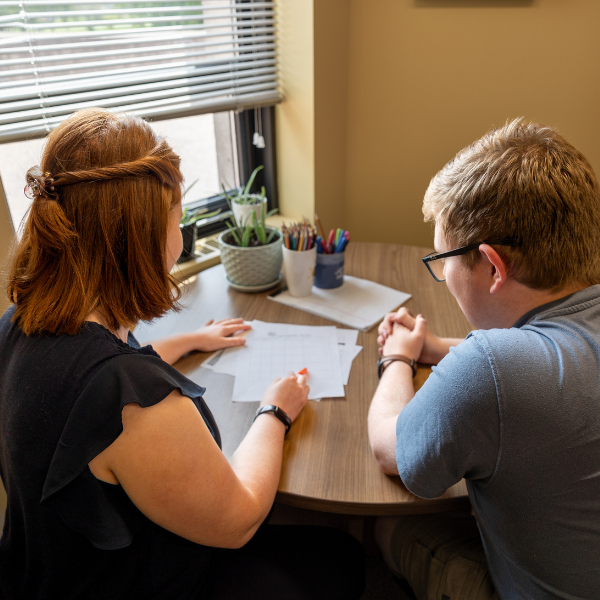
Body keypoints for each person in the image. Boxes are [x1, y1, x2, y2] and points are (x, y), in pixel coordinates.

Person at [0, 108, 365, 600]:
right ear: (143, 240)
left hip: (46, 572)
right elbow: (238, 519)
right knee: (340, 556)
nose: (182, 236)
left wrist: (186, 341)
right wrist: (276, 410)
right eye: (180, 220)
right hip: (137, 584)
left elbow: (83, 379)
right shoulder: (134, 403)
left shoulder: (18, 323)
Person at [368, 119, 600, 599]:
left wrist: (396, 359)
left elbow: (390, 450)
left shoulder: (489, 368)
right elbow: (559, 360)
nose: (445, 274)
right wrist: (434, 350)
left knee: (383, 525)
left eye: (443, 260)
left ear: (493, 265)